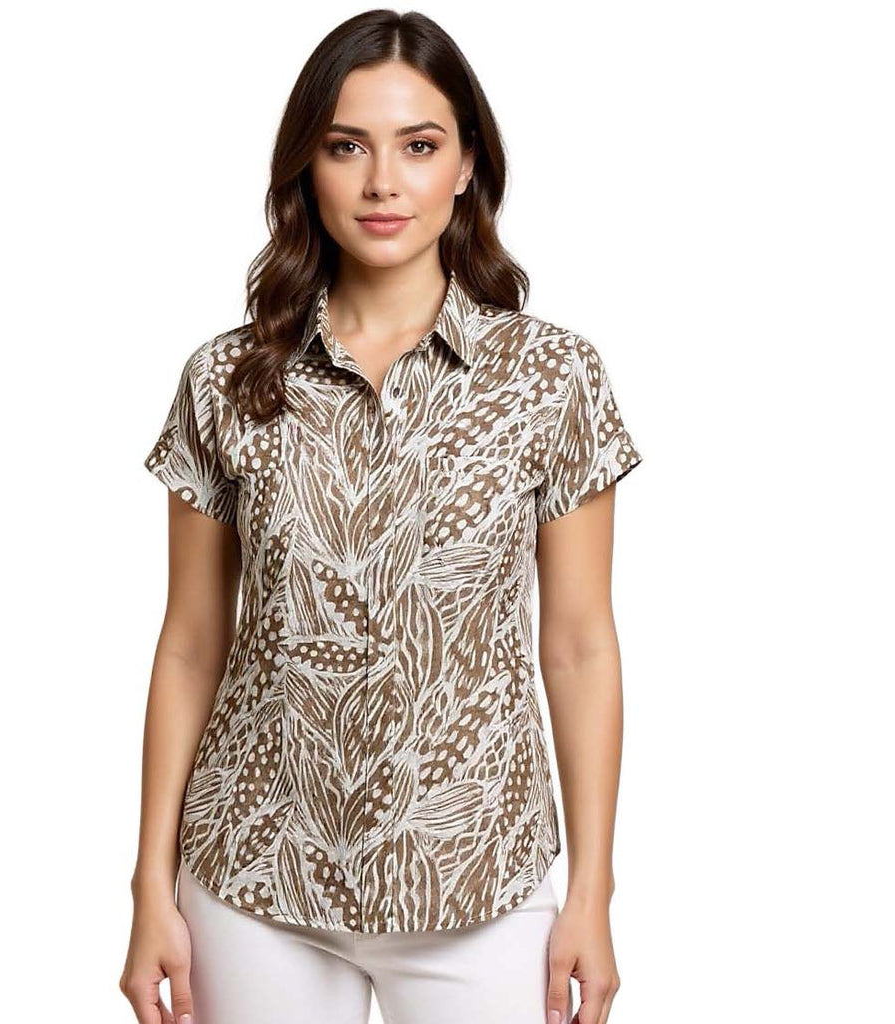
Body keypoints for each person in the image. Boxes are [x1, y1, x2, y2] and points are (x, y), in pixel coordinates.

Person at [120, 10, 642, 1024]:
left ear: (467, 165)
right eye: (346, 146)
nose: (382, 184)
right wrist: (149, 887)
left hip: (476, 877)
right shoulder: (226, 379)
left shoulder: (551, 377)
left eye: (419, 146)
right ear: (306, 167)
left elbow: (580, 644)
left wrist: (591, 892)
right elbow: (189, 643)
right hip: (254, 871)